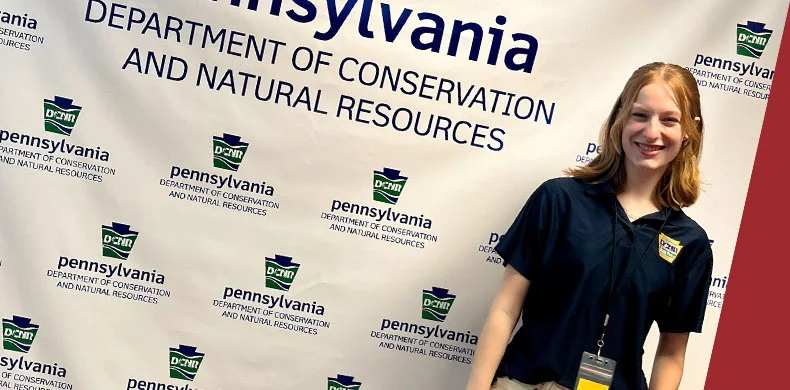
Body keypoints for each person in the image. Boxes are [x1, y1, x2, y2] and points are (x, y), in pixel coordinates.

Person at [466, 62, 714, 390]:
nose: (652, 132)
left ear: (689, 132)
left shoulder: (691, 243)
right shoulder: (558, 200)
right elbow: (505, 310)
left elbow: (670, 353)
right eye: (640, 115)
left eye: (669, 119)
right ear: (620, 117)